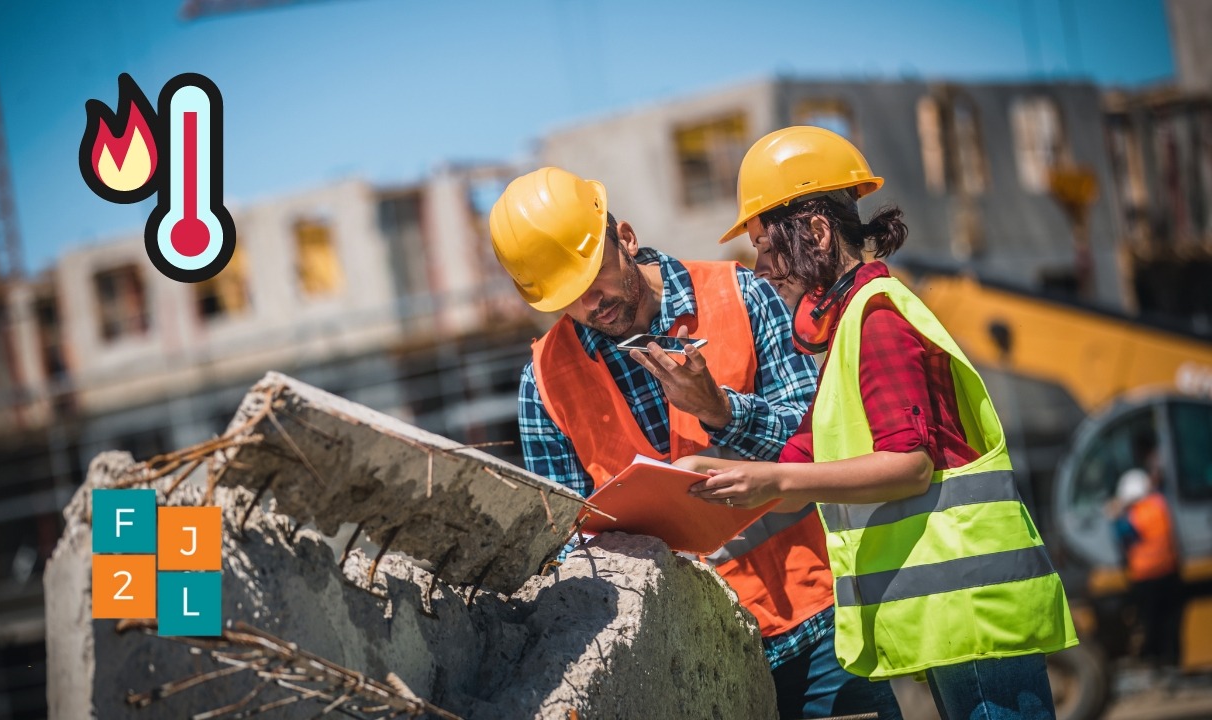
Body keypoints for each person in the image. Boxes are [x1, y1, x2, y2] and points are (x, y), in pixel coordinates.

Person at [679, 126, 1078, 720]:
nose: (760, 267)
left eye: (766, 245)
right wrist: (696, 476)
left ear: (817, 232)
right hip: (953, 614)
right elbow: (800, 469)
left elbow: (909, 465)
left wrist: (777, 481)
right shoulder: (849, 326)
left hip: (974, 610)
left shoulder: (877, 318)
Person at [490, 166, 902, 719]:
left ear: (625, 238)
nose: (591, 302)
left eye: (595, 276)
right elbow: (563, 545)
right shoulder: (543, 383)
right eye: (568, 296)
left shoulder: (741, 293)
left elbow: (824, 445)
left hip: (817, 630)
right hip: (688, 668)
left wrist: (721, 411)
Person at [1109, 435, 1183, 672]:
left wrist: (1115, 513)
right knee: (1171, 622)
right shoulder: (1159, 504)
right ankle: (1173, 662)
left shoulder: (1132, 515)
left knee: (1152, 623)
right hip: (1169, 571)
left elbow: (1123, 536)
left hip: (1146, 578)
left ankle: (1156, 663)